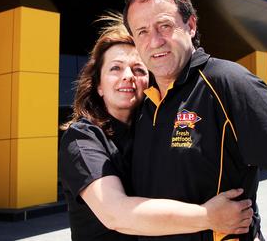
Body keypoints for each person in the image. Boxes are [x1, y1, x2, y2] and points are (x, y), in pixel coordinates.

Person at [122, 0, 267, 241]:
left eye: (164, 26)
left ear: (190, 25)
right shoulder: (144, 105)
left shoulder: (225, 81)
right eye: (142, 31)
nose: (154, 41)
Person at [58, 15, 254, 241]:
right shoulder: (82, 139)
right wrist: (209, 216)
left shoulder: (152, 129)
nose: (128, 77)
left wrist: (251, 225)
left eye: (139, 70)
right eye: (115, 68)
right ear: (99, 86)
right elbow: (115, 214)